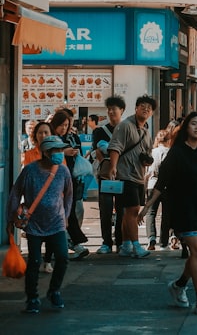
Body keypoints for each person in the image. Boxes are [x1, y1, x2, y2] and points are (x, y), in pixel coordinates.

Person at [141, 111, 197, 316]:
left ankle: (179, 285)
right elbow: (162, 182)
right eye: (193, 124)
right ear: (186, 127)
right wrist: (148, 205)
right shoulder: (176, 152)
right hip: (182, 207)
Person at [6, 136, 75, 314]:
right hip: (34, 225)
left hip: (57, 223)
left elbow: (69, 195)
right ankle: (32, 298)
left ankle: (54, 291)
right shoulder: (29, 170)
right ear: (45, 152)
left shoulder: (63, 171)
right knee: (35, 261)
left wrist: (66, 215)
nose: (59, 154)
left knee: (62, 257)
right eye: (55, 150)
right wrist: (10, 218)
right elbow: (15, 192)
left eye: (60, 150)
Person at [107, 95, 156, 259]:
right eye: (142, 106)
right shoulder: (125, 126)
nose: (146, 109)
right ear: (135, 108)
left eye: (149, 108)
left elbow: (147, 151)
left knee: (129, 211)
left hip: (138, 176)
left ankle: (126, 245)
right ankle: (136, 245)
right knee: (133, 209)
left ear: (152, 113)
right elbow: (115, 147)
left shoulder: (146, 131)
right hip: (125, 174)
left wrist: (147, 160)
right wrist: (113, 167)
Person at [49, 109, 89, 260]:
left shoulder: (71, 137)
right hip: (52, 181)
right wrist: (64, 152)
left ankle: (71, 244)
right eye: (62, 125)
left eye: (67, 124)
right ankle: (70, 244)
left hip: (69, 179)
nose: (64, 128)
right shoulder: (51, 139)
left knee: (68, 212)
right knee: (61, 213)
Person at [92, 96, 124, 254]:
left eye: (114, 109)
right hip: (105, 176)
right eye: (109, 109)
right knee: (105, 209)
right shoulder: (99, 131)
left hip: (123, 175)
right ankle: (106, 242)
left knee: (121, 209)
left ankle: (120, 241)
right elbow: (95, 152)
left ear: (122, 111)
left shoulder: (127, 129)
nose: (111, 112)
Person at [145, 129, 171, 251]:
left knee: (151, 212)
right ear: (168, 140)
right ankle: (164, 242)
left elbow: (147, 172)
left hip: (152, 184)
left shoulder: (152, 152)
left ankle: (151, 238)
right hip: (168, 186)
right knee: (166, 214)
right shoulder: (171, 153)